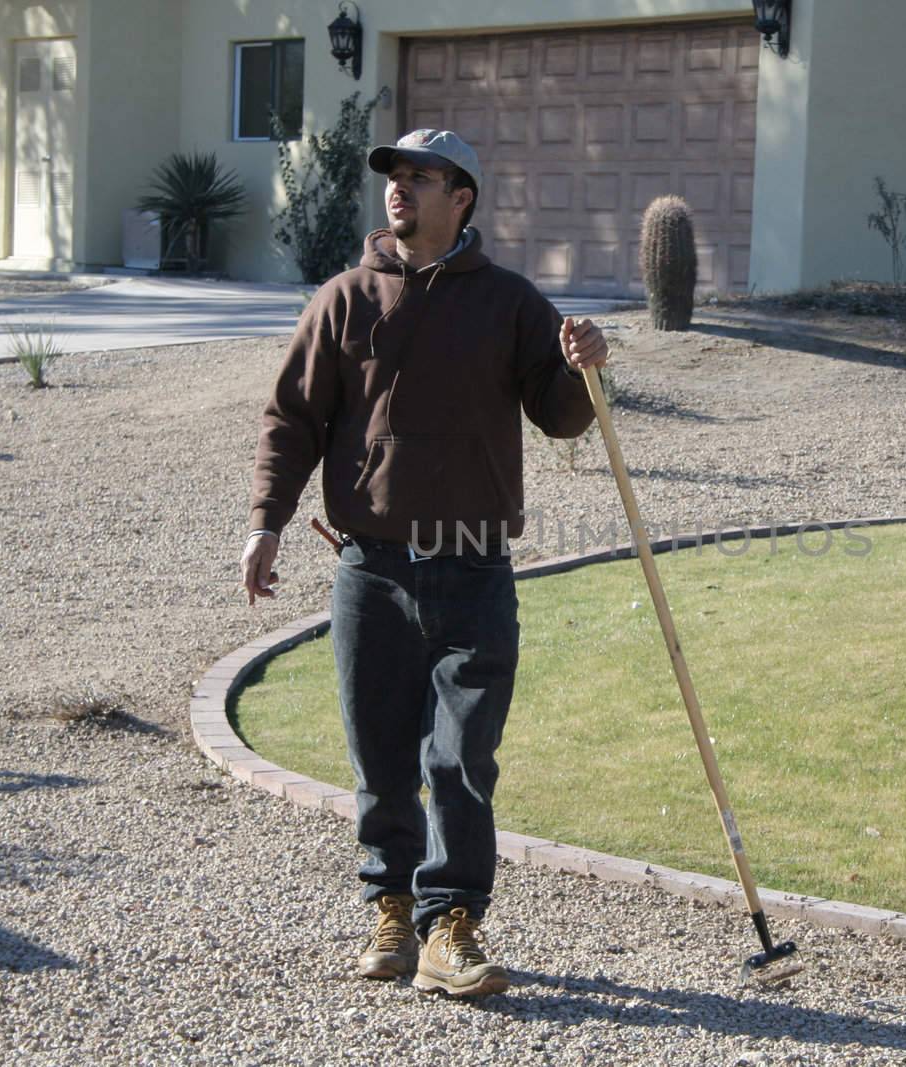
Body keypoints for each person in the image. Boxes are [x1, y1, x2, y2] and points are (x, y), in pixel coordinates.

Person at [240, 129, 608, 998]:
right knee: (380, 758)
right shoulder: (342, 299)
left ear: (462, 197)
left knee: (460, 757)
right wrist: (267, 521)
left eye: (420, 177)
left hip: (475, 569)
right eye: (394, 177)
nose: (399, 189)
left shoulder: (511, 302)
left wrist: (585, 371)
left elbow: (557, 418)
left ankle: (453, 925)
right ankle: (393, 912)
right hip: (371, 569)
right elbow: (290, 418)